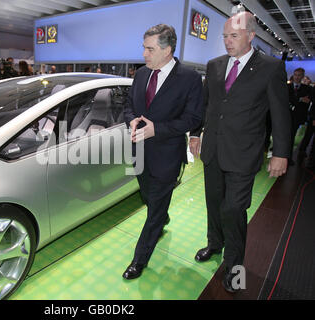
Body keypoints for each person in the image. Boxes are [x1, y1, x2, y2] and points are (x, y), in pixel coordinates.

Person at [189, 12, 291, 293]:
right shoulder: (214, 65)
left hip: (244, 154)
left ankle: (235, 270)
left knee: (234, 210)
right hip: (213, 152)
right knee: (213, 204)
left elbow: (281, 114)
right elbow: (206, 105)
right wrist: (196, 133)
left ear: (251, 36)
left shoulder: (270, 68)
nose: (227, 42)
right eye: (224, 36)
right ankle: (214, 244)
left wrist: (280, 153)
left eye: (233, 36)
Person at [122, 24, 204, 280]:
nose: (144, 54)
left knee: (154, 210)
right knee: (150, 198)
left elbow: (193, 117)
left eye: (150, 49)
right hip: (139, 153)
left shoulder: (189, 79)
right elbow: (128, 106)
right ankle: (162, 215)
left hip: (167, 155)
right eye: (144, 48)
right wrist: (132, 120)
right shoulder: (140, 75)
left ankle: (139, 259)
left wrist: (158, 129)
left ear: (167, 50)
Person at [289, 68, 312, 160]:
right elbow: (287, 98)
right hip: (286, 115)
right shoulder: (287, 87)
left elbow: (308, 100)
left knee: (292, 136)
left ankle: (288, 157)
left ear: (302, 76)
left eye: (299, 75)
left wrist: (296, 100)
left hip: (297, 116)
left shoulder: (307, 89)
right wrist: (300, 99)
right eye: (295, 75)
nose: (297, 77)